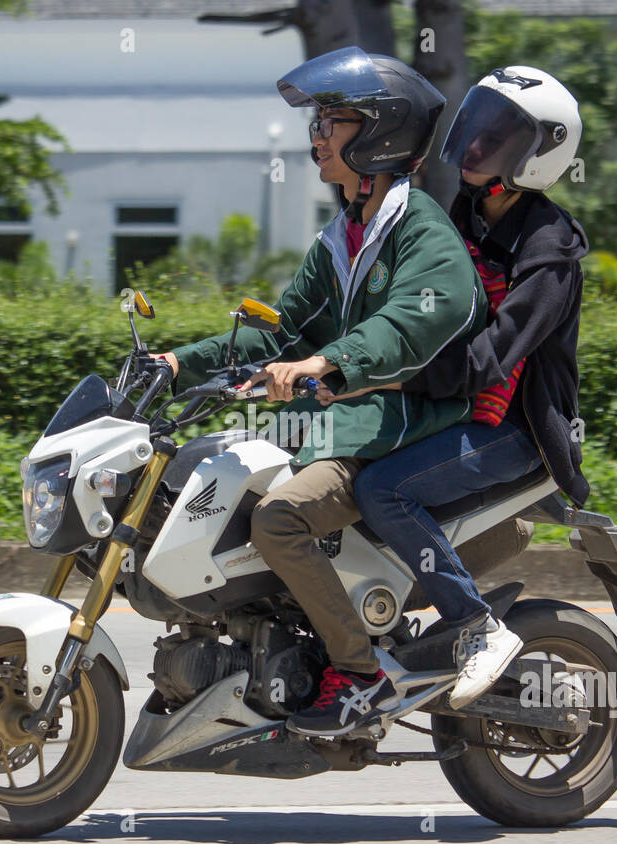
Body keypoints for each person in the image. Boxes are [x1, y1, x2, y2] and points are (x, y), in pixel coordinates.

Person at [154, 47, 487, 735]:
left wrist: (327, 363)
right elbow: (276, 335)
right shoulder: (342, 238)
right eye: (319, 121)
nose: (317, 137)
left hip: (394, 427)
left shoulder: (423, 232)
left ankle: (358, 673)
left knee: (279, 518)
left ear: (380, 133)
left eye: (332, 121)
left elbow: (411, 323)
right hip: (338, 425)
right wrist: (177, 363)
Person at [333, 65, 591, 708]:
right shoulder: (468, 212)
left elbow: (493, 356)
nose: (476, 146)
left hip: (515, 430)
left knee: (382, 489)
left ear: (539, 154)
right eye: (477, 127)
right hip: (455, 411)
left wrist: (396, 371)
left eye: (498, 136)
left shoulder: (548, 248)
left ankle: (477, 628)